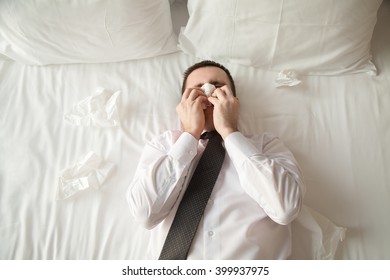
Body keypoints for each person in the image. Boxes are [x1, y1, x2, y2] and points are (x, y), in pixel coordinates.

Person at [127, 60, 305, 259]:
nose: (208, 91)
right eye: (197, 89)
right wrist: (190, 134)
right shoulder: (164, 145)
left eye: (218, 86)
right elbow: (144, 214)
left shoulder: (266, 146)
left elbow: (286, 209)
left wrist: (229, 132)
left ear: (234, 100)